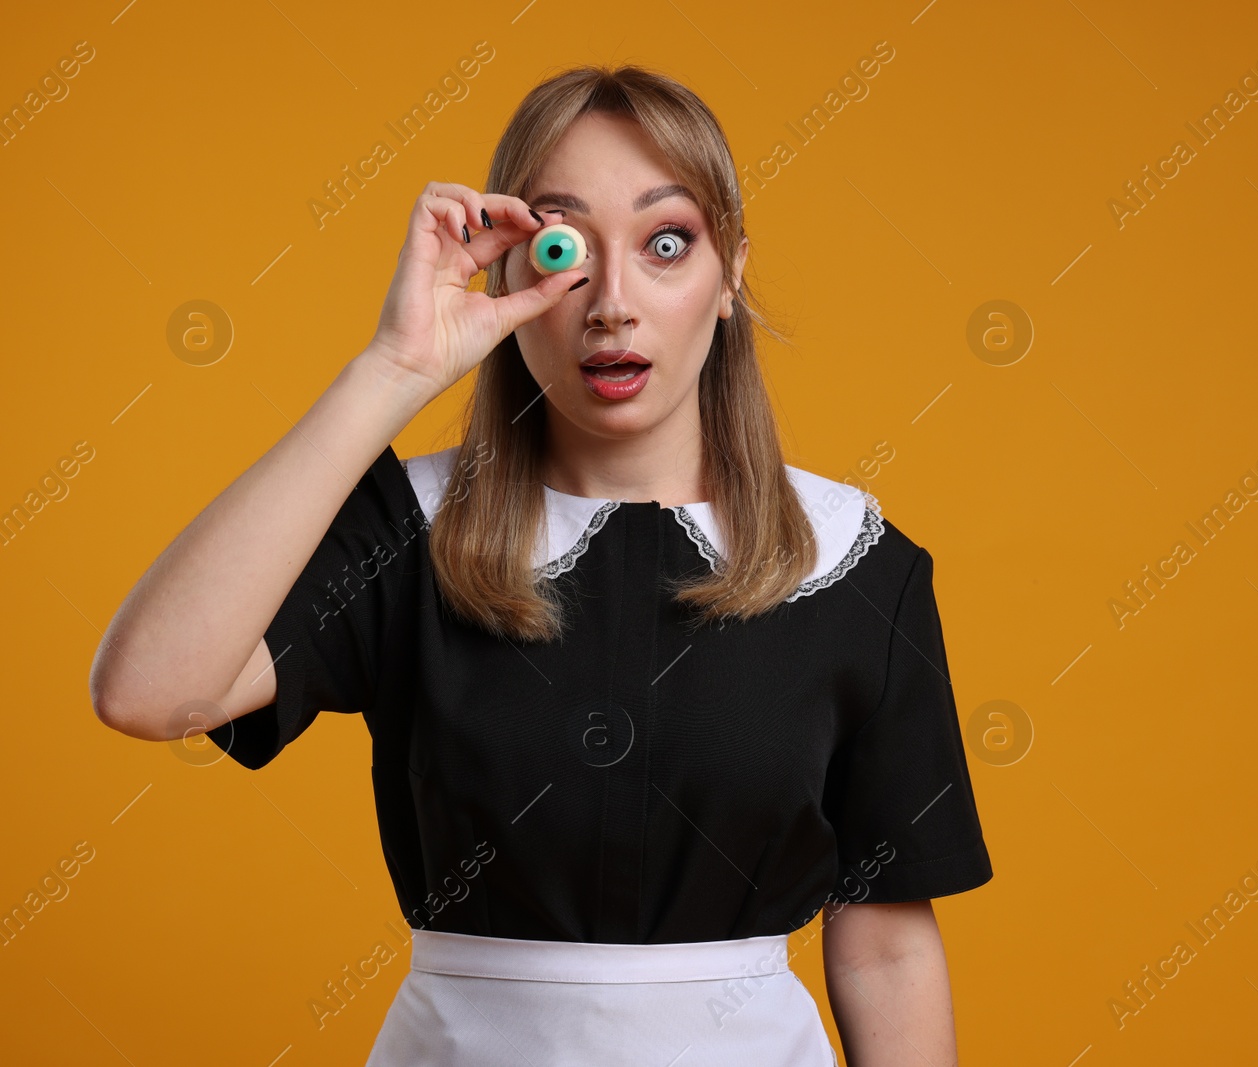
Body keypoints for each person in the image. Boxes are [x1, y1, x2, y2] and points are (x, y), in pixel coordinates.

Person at [89, 64, 993, 1066]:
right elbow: (147, 690)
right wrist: (391, 370)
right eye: (562, 248)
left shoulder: (853, 561)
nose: (610, 302)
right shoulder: (408, 532)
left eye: (665, 243)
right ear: (512, 278)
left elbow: (884, 945)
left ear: (729, 267)